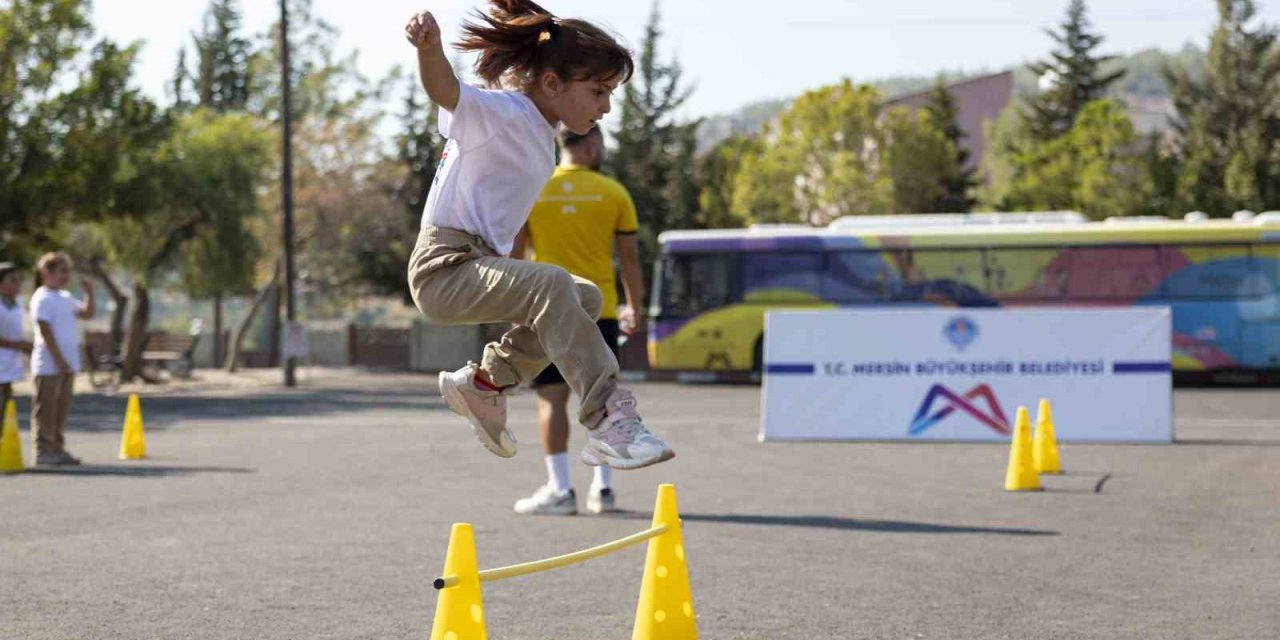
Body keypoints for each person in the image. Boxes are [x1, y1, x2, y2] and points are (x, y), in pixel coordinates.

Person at [403, 0, 673, 470]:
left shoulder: (539, 132)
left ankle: (486, 384)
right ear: (552, 83)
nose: (607, 107)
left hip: (477, 262)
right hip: (443, 266)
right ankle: (607, 417)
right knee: (550, 283)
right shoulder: (503, 112)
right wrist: (430, 49)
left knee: (583, 297)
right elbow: (445, 90)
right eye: (598, 91)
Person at [509, 125, 644, 515]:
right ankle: (602, 490)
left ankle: (561, 489)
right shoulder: (614, 192)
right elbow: (630, 258)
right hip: (598, 310)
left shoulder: (534, 189)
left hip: (545, 310)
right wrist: (633, 305)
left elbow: (515, 256)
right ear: (593, 143)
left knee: (551, 400)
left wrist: (515, 309)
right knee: (599, 401)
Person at [30, 253, 95, 466]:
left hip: (67, 364)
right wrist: (58, 359)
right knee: (46, 409)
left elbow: (87, 314)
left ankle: (57, 448)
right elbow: (45, 330)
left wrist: (89, 293)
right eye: (61, 271)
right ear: (46, 273)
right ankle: (43, 450)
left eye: (67, 271)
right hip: (48, 365)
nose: (65, 276)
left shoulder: (65, 297)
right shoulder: (42, 297)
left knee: (61, 409)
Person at [0, 262, 32, 411]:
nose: (18, 283)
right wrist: (19, 345)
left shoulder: (17, 304)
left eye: (19, 279)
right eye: (13, 280)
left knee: (5, 411)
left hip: (9, 366)